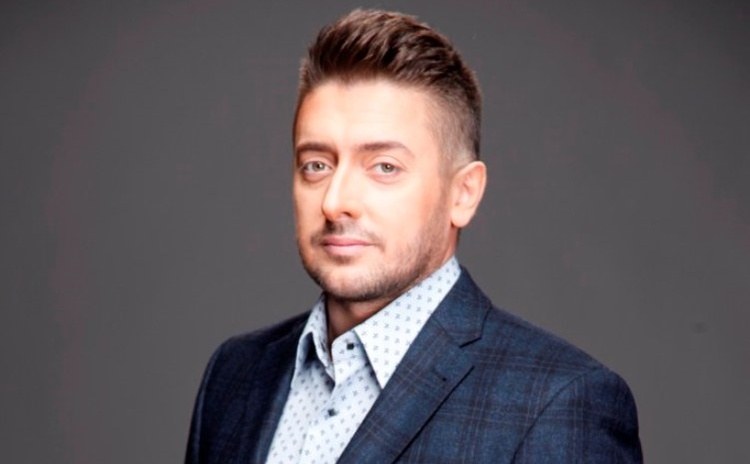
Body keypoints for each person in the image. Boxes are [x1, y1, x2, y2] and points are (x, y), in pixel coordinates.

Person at [185, 9, 642, 464]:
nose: (334, 202)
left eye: (385, 167)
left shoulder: (558, 404)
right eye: (316, 165)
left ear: (463, 194)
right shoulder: (235, 374)